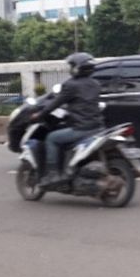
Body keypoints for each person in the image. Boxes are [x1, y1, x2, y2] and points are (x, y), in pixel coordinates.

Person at [32, 53, 104, 189]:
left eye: (71, 65)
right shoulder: (95, 84)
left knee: (51, 138)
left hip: (81, 128)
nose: (70, 68)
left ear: (77, 68)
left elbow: (55, 103)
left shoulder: (71, 85)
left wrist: (39, 115)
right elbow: (83, 102)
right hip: (97, 127)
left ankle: (53, 174)